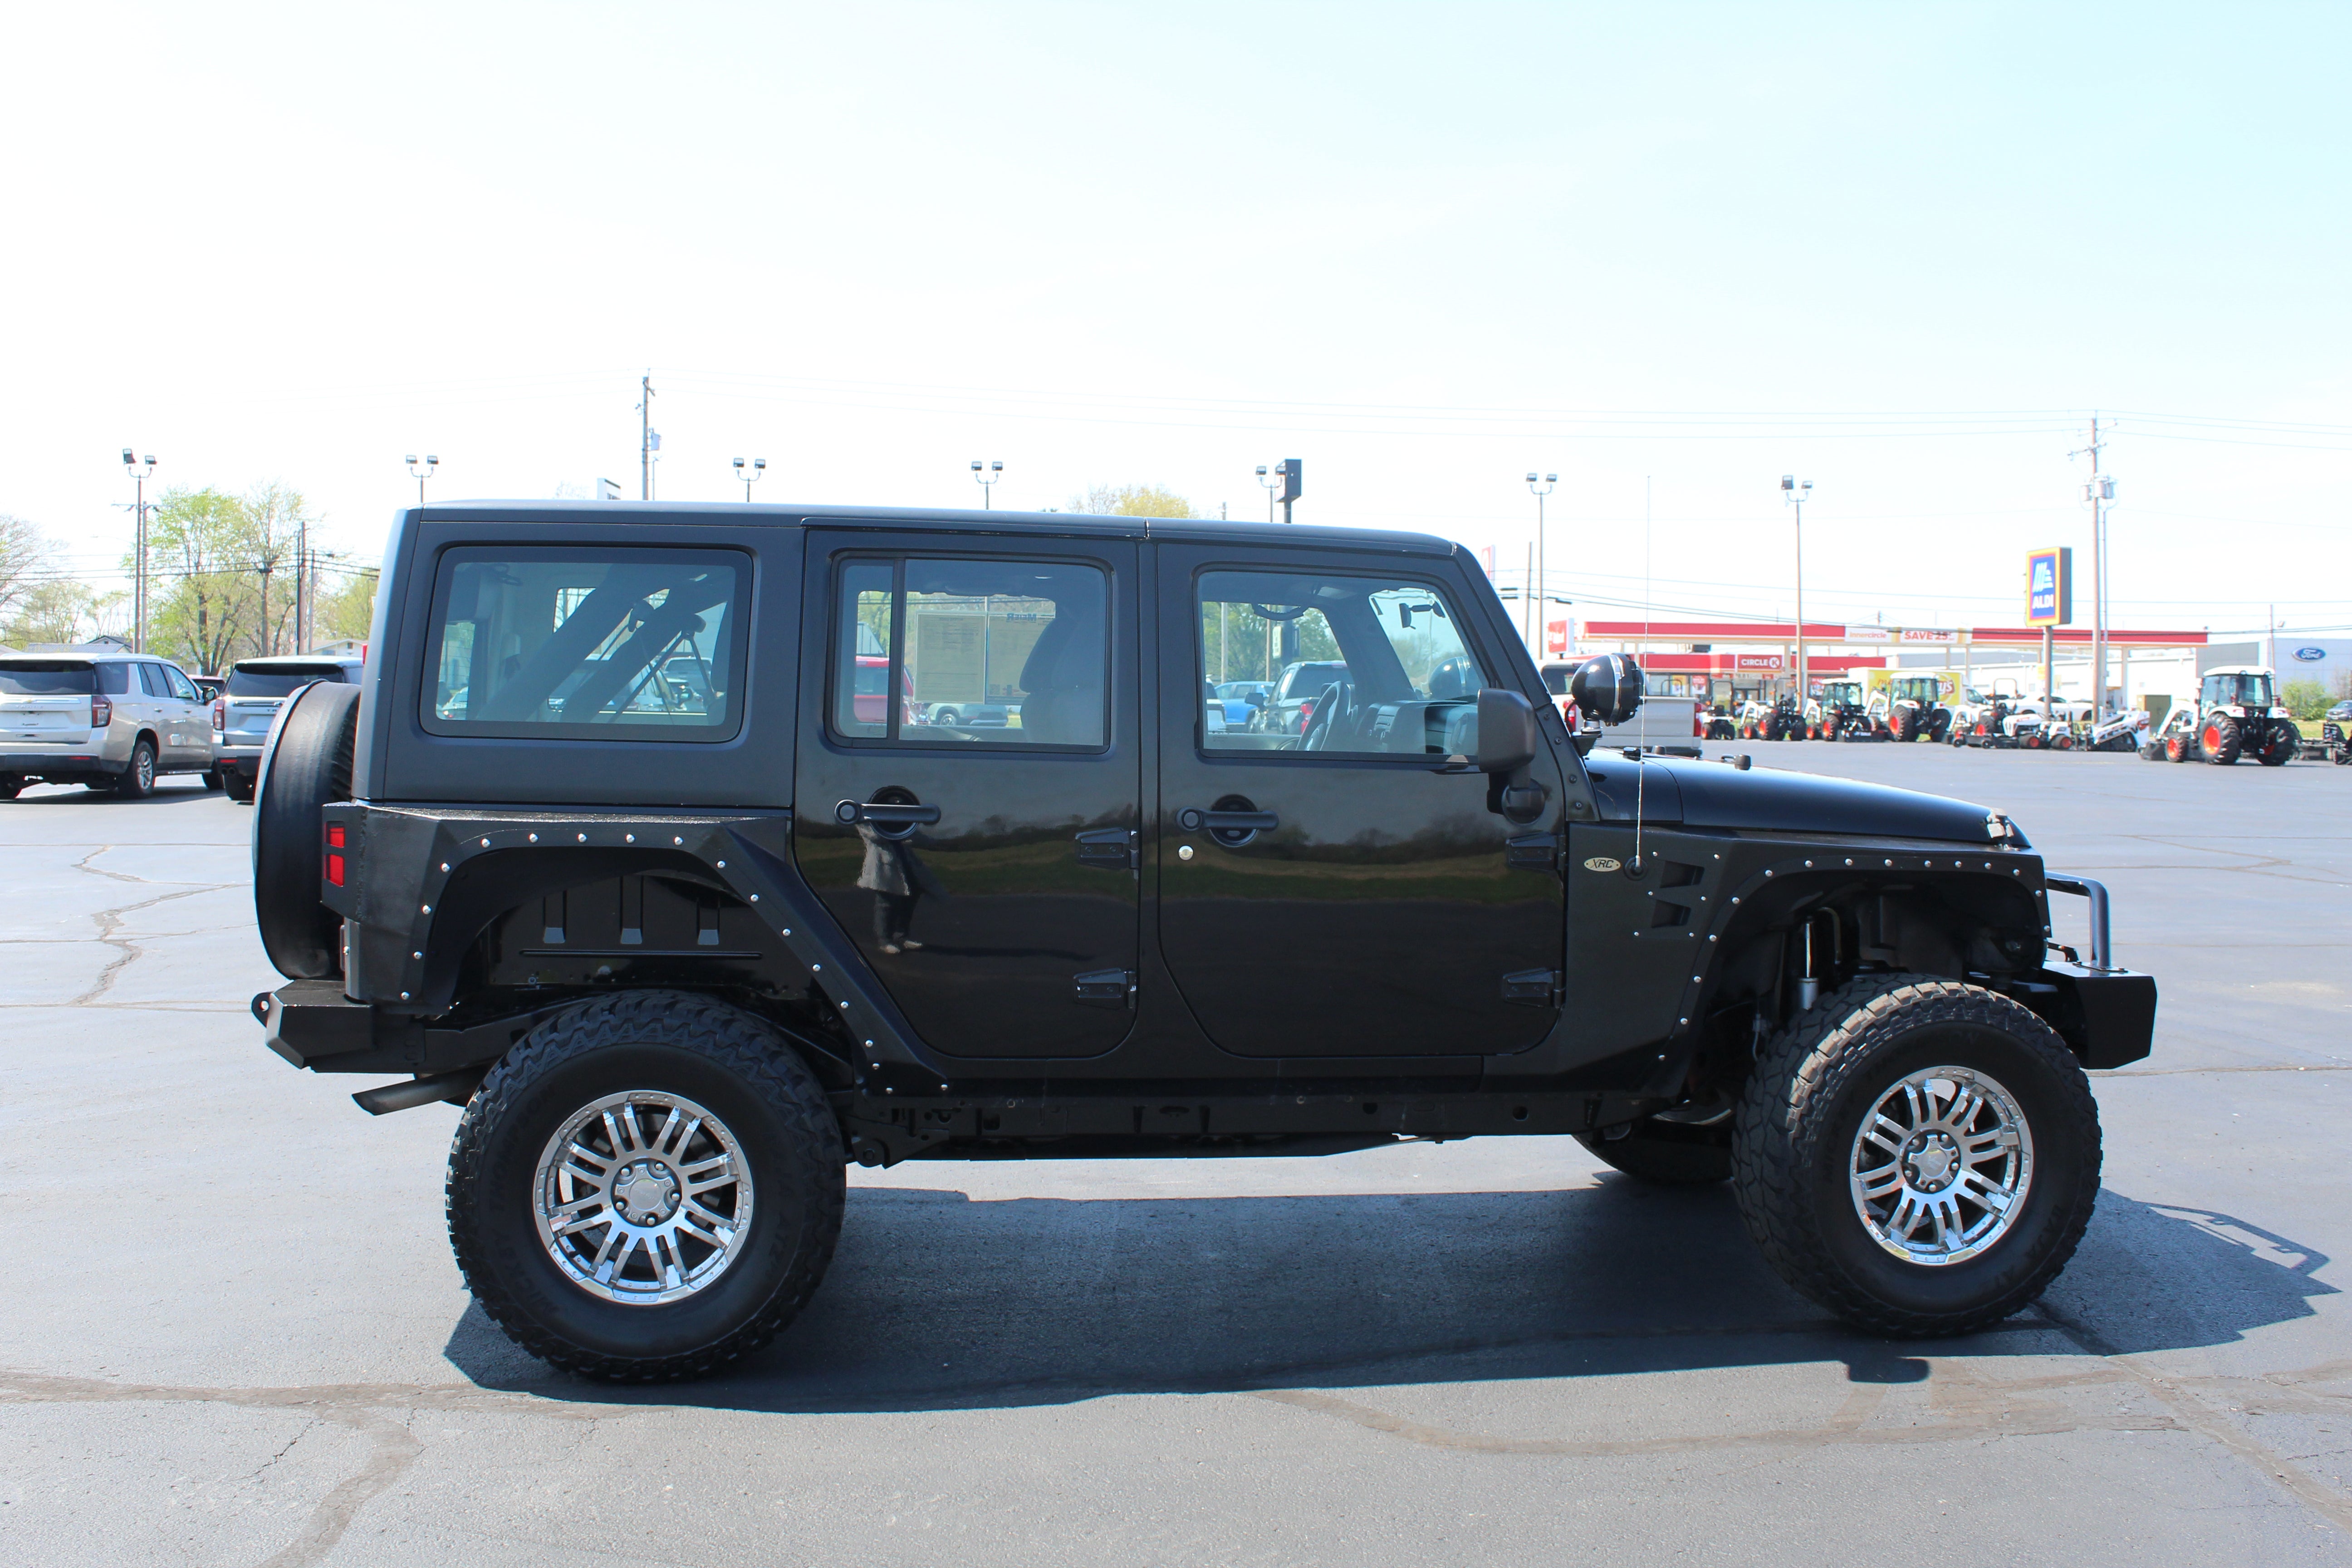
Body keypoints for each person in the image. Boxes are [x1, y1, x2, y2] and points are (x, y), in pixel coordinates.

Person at [858, 822, 930, 955]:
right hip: (883, 866)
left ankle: (902, 936)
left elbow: (914, 836)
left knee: (910, 899)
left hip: (904, 861)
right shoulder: (866, 818)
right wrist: (898, 830)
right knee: (886, 903)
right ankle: (885, 941)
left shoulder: (897, 819)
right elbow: (876, 836)